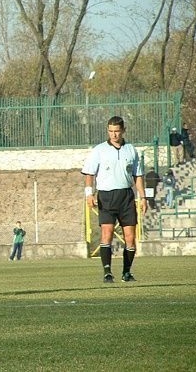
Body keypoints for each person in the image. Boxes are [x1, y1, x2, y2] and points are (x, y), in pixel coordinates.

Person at [81, 116, 147, 283]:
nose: (114, 134)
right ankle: (107, 272)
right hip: (106, 196)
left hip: (126, 196)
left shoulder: (131, 150)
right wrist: (89, 193)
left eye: (117, 131)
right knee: (107, 234)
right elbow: (90, 174)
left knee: (130, 237)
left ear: (123, 130)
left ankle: (126, 272)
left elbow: (138, 175)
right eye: (110, 131)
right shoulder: (99, 150)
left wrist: (143, 197)